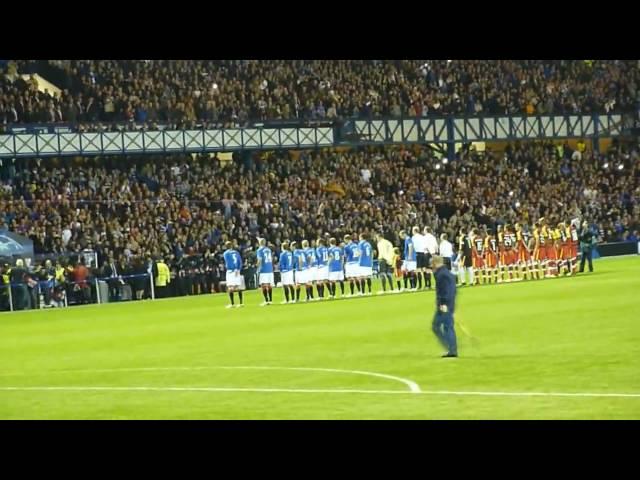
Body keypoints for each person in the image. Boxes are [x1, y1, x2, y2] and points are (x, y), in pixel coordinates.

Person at [431, 255, 458, 358]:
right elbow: (453, 290)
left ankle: (451, 348)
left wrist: (444, 303)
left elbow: (446, 291)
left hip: (444, 305)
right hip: (448, 303)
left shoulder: (441, 275)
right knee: (438, 326)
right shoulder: (446, 273)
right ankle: (451, 347)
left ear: (435, 263)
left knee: (445, 327)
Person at [223, 241, 244, 308]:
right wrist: (238, 269)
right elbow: (240, 262)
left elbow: (228, 262)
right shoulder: (236, 252)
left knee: (230, 287)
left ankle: (232, 304)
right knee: (238, 287)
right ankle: (241, 303)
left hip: (230, 271)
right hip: (237, 271)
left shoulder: (226, 253)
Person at [256, 238, 274, 306]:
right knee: (269, 285)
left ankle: (266, 301)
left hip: (263, 270)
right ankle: (271, 300)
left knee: (263, 285)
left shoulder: (259, 250)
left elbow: (260, 259)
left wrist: (258, 267)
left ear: (259, 243)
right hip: (270, 269)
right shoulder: (268, 249)